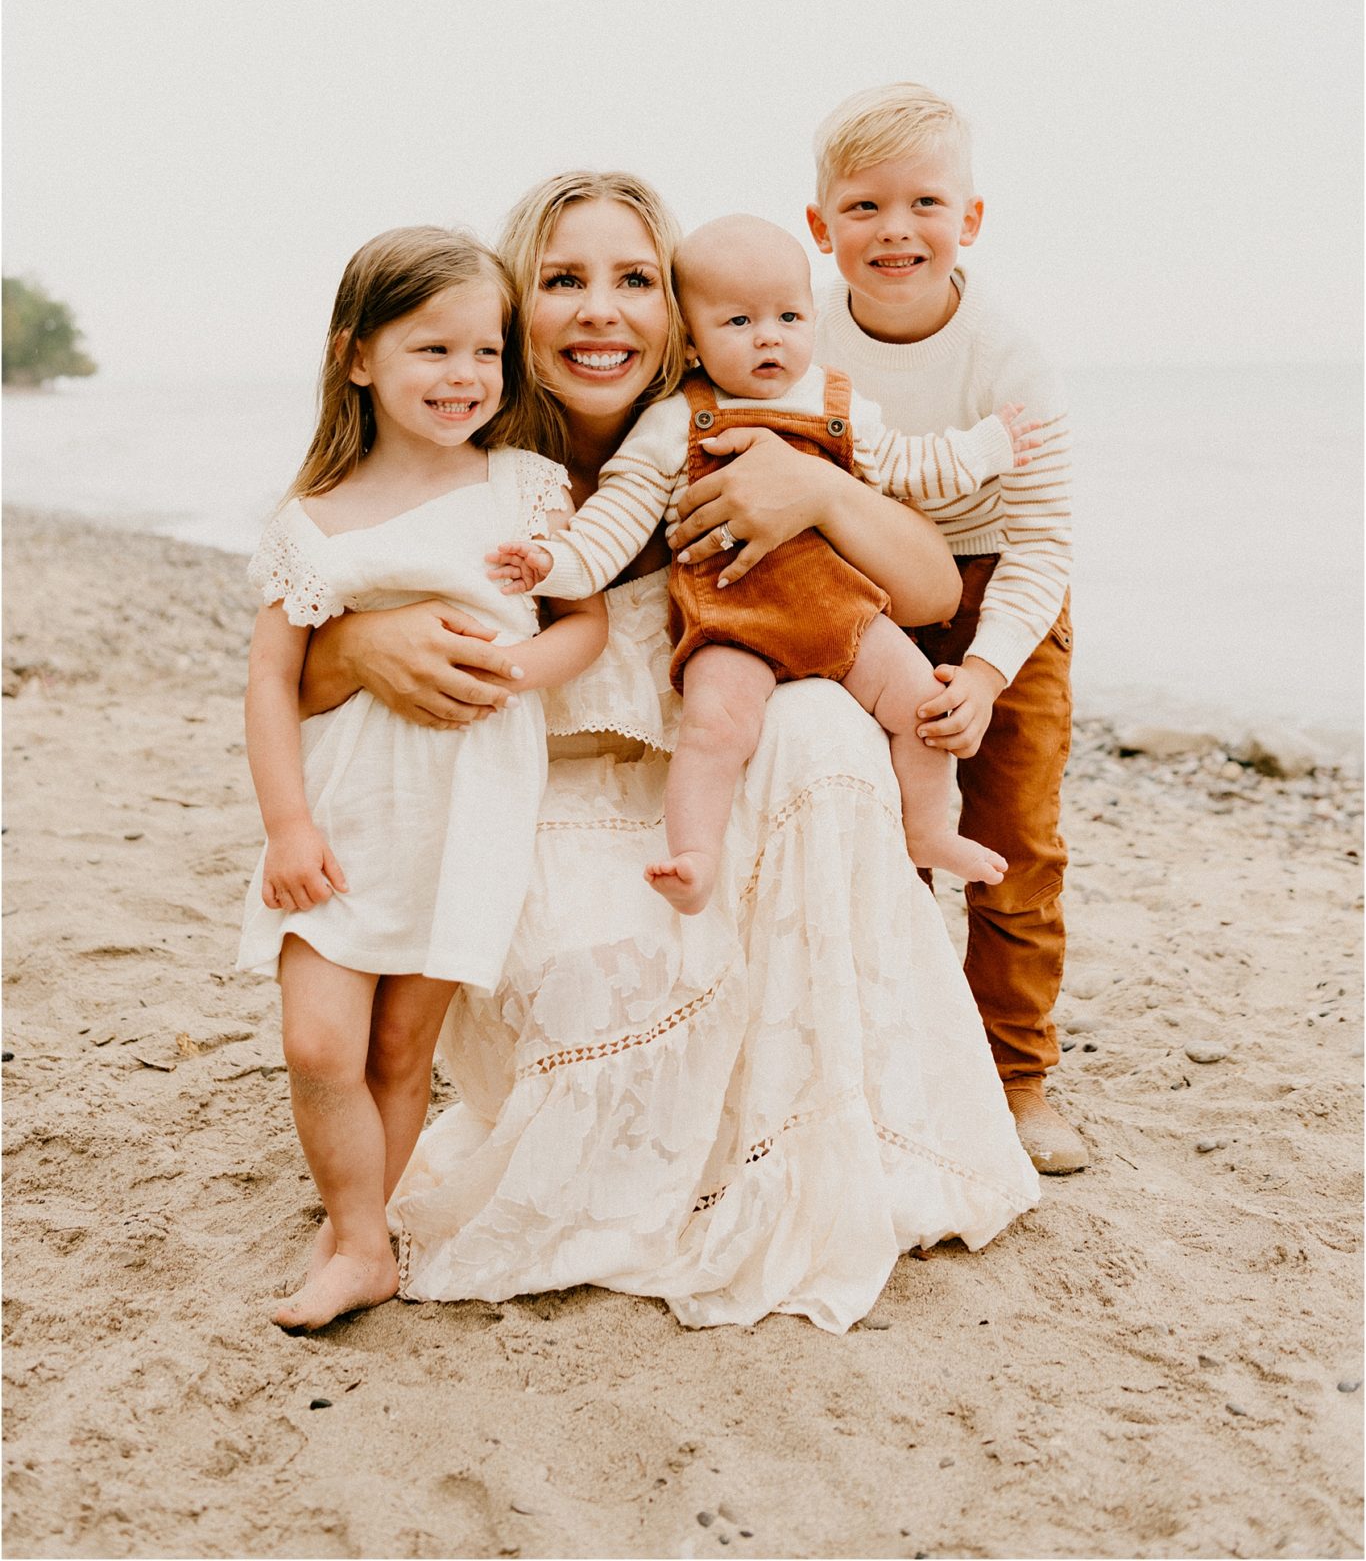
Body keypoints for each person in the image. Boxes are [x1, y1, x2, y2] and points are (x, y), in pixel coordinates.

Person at [300, 171, 1040, 1333]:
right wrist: (363, 638)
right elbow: (300, 633)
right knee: (603, 967)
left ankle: (810, 1126)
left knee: (825, 726)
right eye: (561, 280)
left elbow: (930, 588)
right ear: (511, 305)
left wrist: (816, 493)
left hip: (704, 795)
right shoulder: (462, 444)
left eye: (634, 280)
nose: (601, 309)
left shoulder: (757, 420)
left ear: (679, 313)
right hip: (541, 801)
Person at [672, 85, 1082, 1175]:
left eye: (924, 203)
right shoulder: (792, 333)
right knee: (874, 823)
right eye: (862, 207)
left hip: (1001, 593)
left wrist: (990, 670)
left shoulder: (1009, 359)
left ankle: (1015, 1074)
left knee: (1014, 837)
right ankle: (896, 1061)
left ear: (971, 219)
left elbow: (1045, 542)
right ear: (821, 227)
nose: (894, 230)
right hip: (847, 584)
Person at [239, 226, 606, 1331]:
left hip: (469, 811)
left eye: (485, 353)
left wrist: (515, 669)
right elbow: (271, 681)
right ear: (358, 357)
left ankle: (359, 1236)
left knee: (403, 1047)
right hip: (345, 814)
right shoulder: (312, 520)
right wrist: (287, 826)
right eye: (431, 350)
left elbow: (582, 620)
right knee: (317, 1042)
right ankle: (356, 1227)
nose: (464, 378)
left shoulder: (524, 487)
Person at [489, 212, 1038, 912]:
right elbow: (612, 526)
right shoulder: (671, 422)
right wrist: (553, 563)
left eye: (788, 316)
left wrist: (985, 449)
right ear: (689, 341)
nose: (770, 336)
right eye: (739, 323)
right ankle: (696, 853)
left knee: (923, 706)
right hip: (734, 620)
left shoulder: (836, 402)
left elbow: (910, 465)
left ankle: (927, 830)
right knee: (717, 728)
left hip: (842, 612)